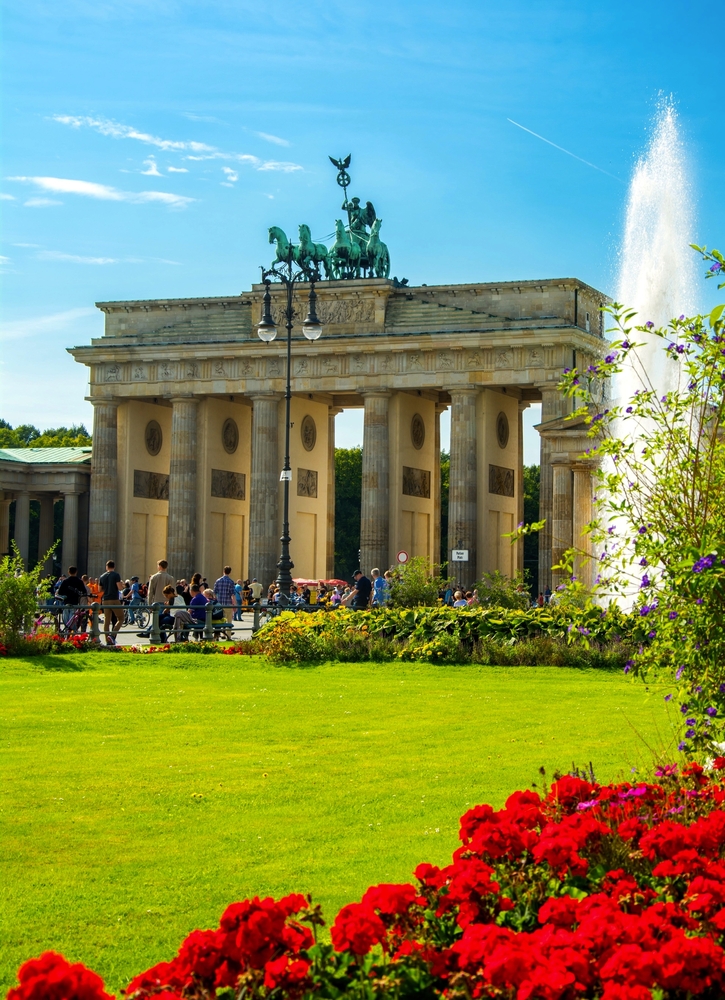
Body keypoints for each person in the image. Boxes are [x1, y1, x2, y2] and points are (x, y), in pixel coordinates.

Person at [99, 560, 123, 645]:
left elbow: (99, 589)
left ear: (107, 567)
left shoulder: (102, 576)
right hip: (114, 598)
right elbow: (119, 587)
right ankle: (112, 635)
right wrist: (122, 585)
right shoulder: (116, 575)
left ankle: (107, 639)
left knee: (107, 620)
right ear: (114, 567)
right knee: (121, 618)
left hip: (105, 599)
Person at [57, 566, 88, 631]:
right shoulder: (79, 581)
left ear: (68, 572)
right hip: (75, 603)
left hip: (66, 602)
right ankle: (71, 634)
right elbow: (84, 592)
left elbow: (60, 592)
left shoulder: (65, 581)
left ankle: (66, 632)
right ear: (76, 572)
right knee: (73, 621)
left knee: (66, 621)